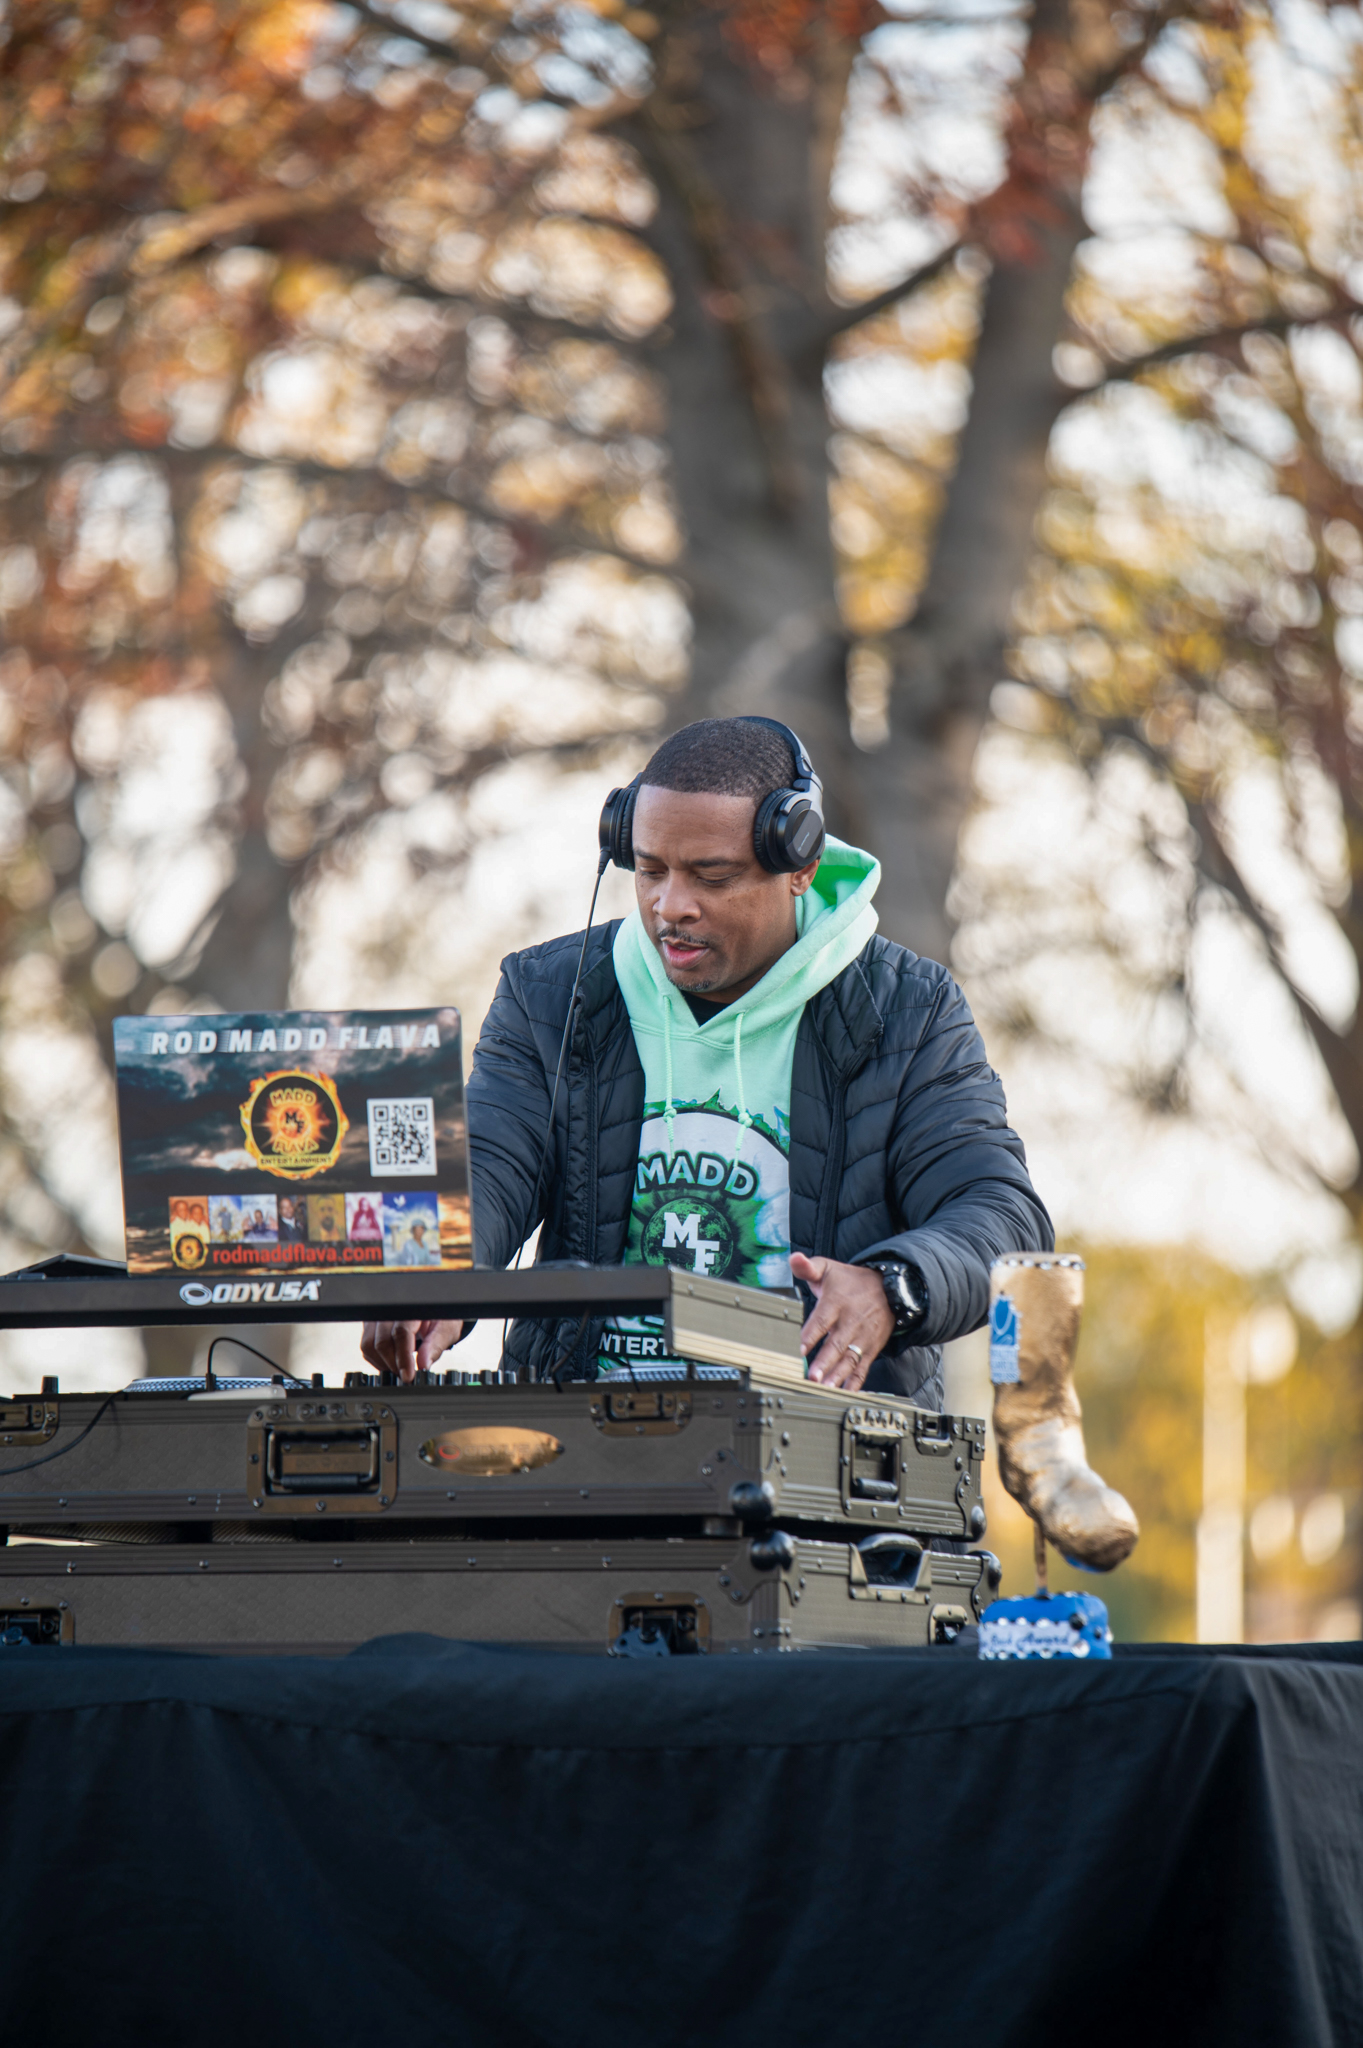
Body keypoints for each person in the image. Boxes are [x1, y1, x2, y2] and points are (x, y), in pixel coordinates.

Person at [361, 717, 1051, 1386]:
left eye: (710, 876)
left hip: (814, 1455)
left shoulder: (908, 1008)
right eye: (649, 870)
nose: (670, 905)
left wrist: (891, 1286)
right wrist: (440, 1270)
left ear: (800, 866)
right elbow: (492, 1161)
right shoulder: (549, 992)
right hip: (580, 1447)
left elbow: (1000, 1215)